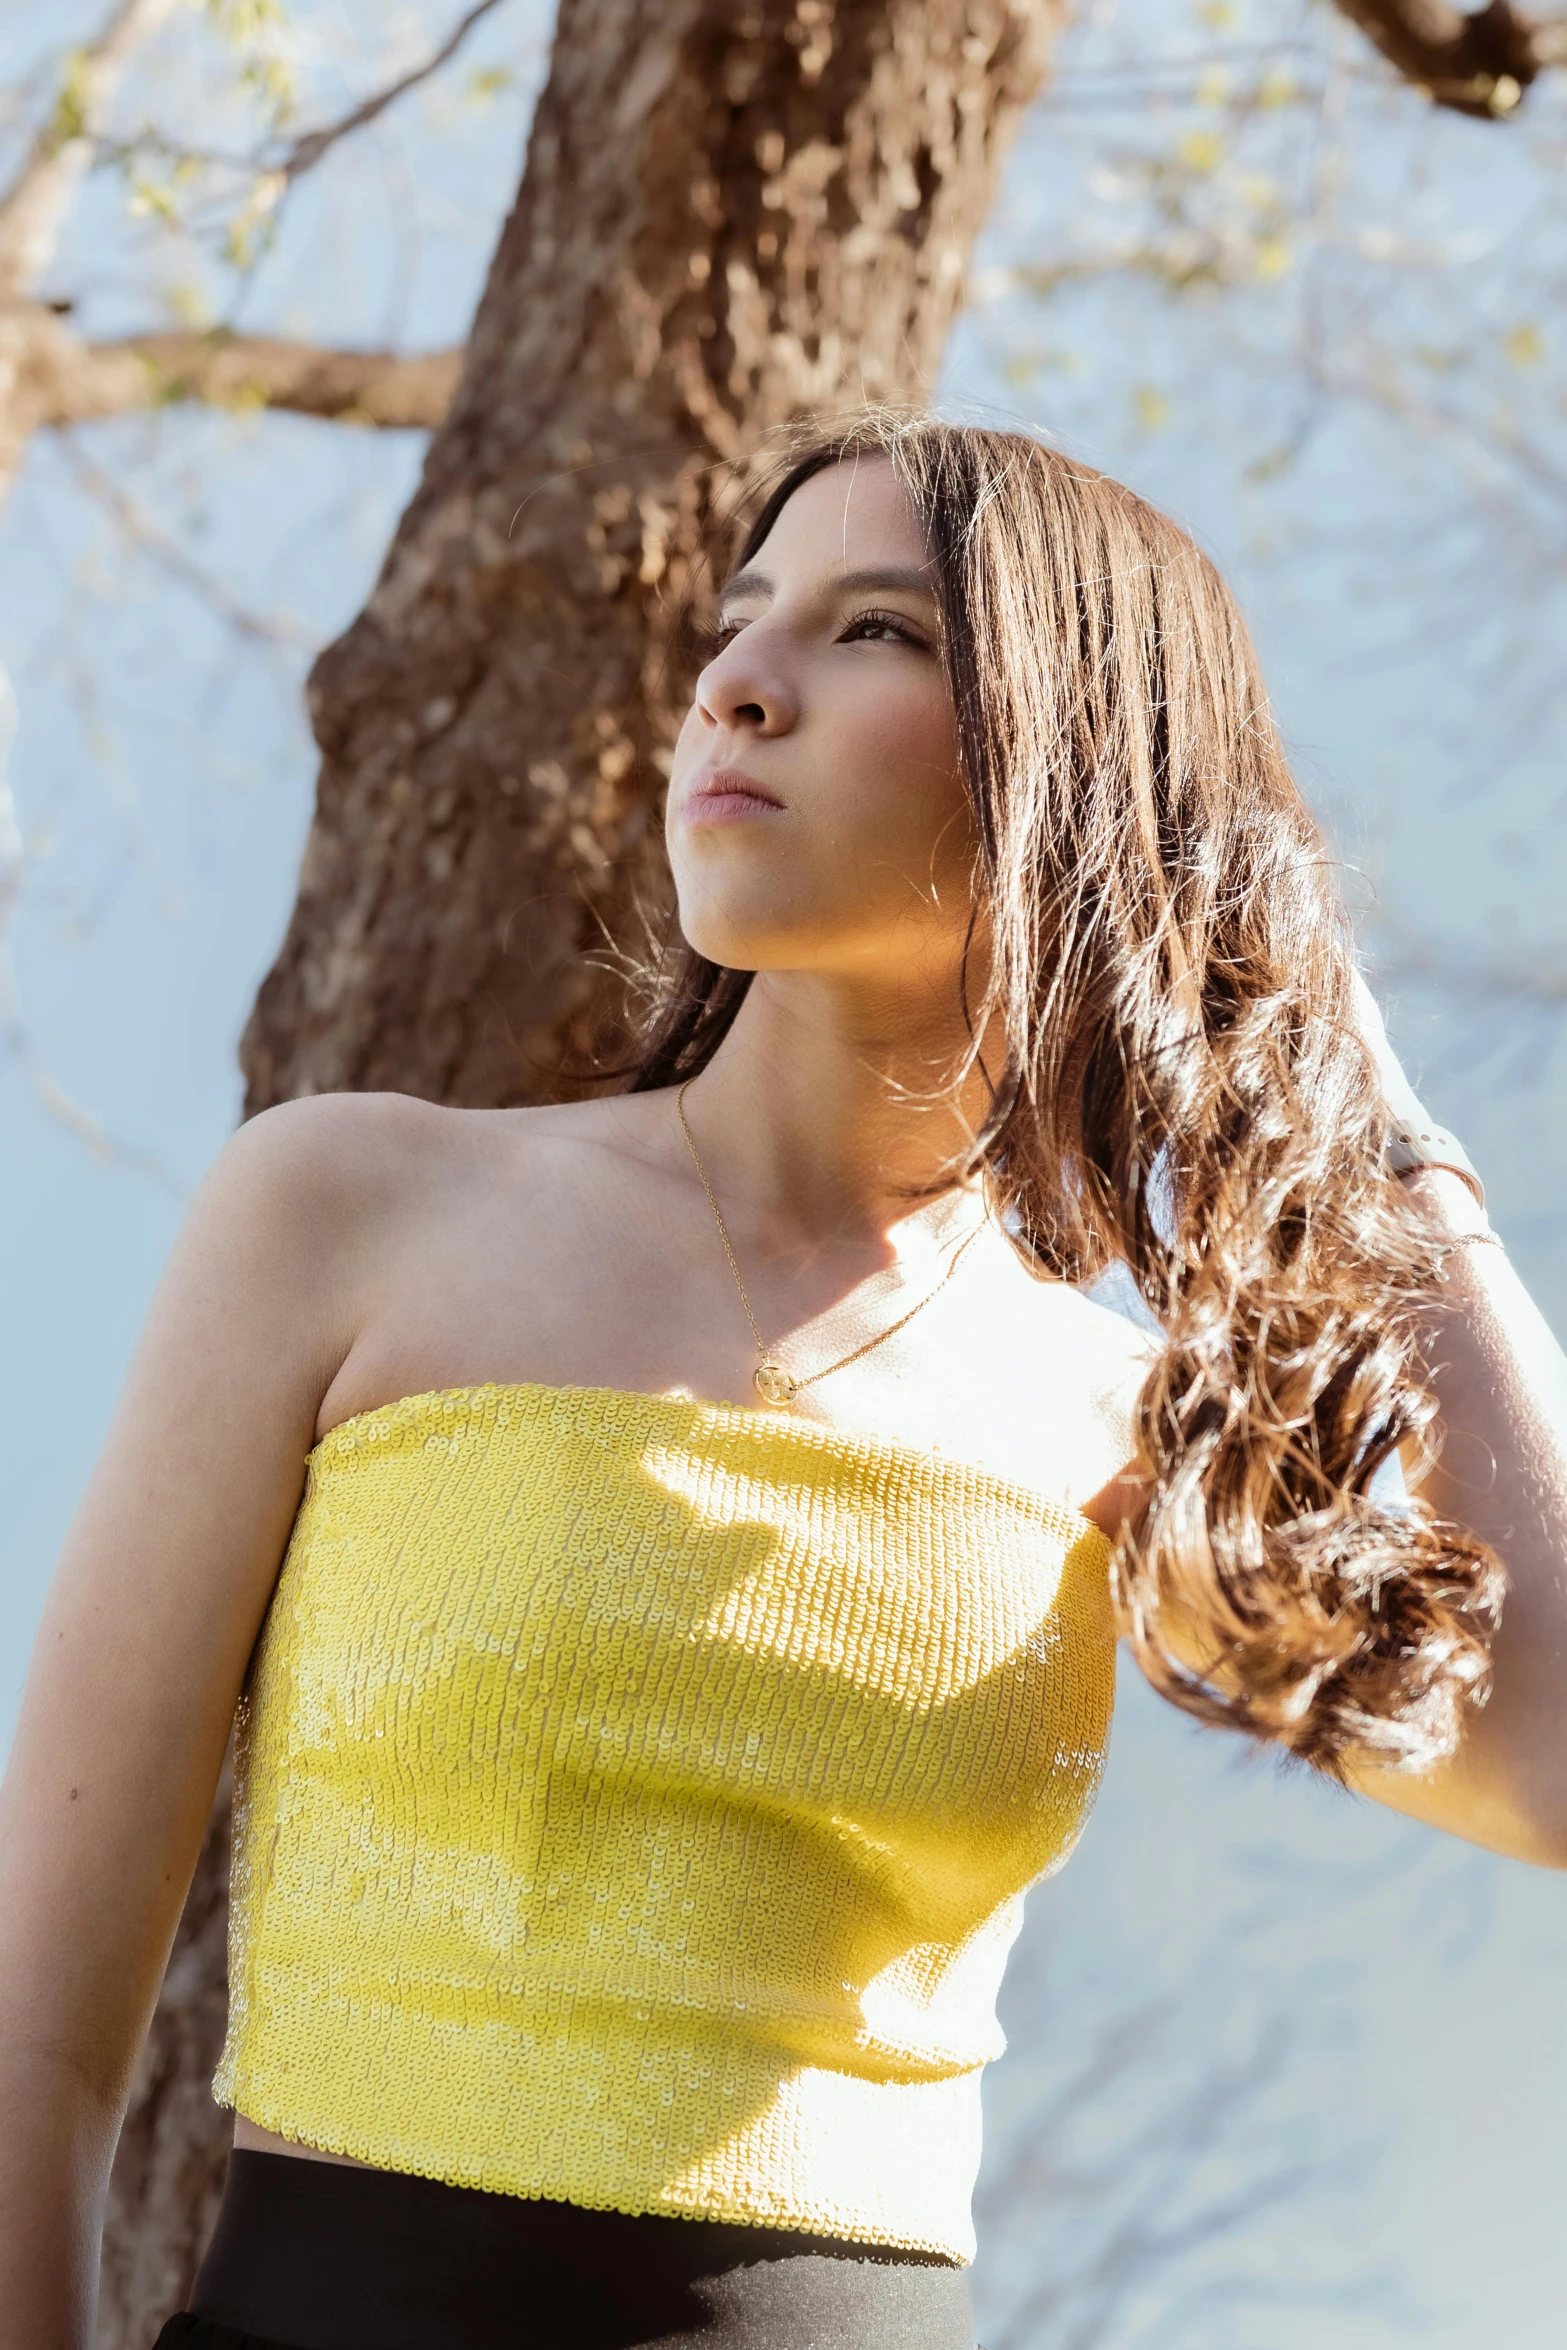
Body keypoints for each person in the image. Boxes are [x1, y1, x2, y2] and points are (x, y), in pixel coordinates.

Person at [2, 414, 1565, 2350]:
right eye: (746, 622)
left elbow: (1557, 1760)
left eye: (879, 633)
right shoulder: (344, 1208)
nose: (738, 682)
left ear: (1072, 763)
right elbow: (39, 2038)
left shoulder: (1120, 1422)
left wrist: (1372, 1115)